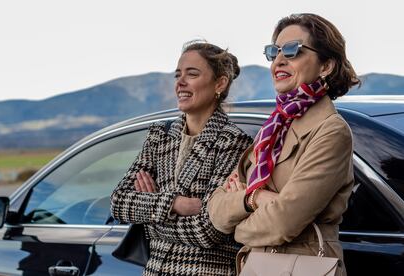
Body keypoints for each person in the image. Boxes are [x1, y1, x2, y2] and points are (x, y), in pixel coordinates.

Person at [208, 13, 361, 276]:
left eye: (292, 51)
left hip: (304, 266)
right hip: (257, 265)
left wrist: (242, 212)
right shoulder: (274, 127)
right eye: (274, 51)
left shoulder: (331, 130)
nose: (279, 60)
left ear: (326, 66)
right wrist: (254, 200)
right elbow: (216, 211)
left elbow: (283, 222)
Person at [111, 41, 253, 275]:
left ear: (219, 83)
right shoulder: (160, 136)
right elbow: (119, 201)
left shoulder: (233, 143)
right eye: (178, 75)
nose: (180, 82)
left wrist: (150, 214)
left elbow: (208, 231)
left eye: (192, 74)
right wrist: (176, 204)